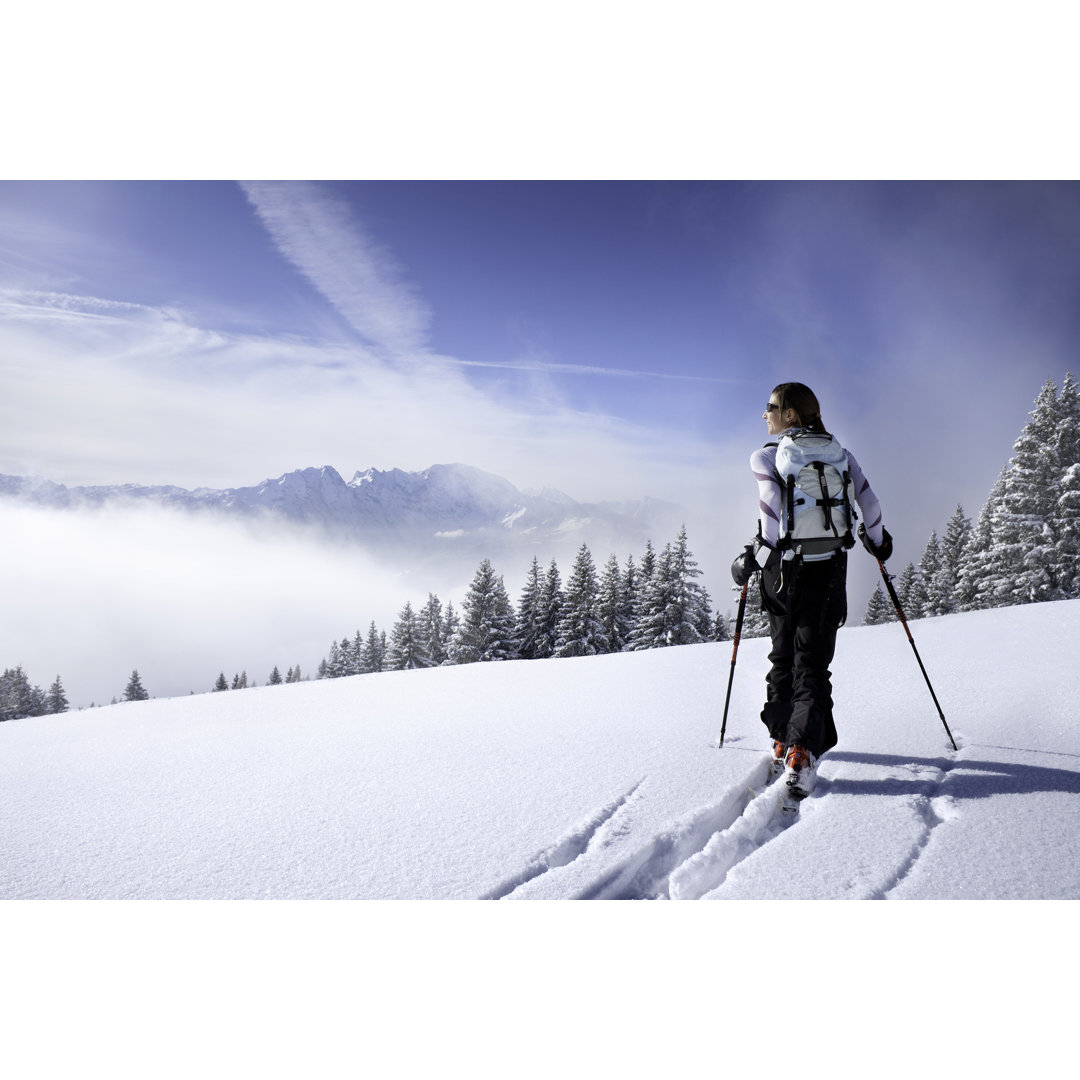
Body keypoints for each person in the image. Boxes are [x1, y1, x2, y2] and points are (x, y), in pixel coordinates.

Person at [731, 382, 892, 799]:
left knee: (783, 655)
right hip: (829, 572)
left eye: (770, 407)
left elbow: (770, 515)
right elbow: (870, 506)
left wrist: (751, 562)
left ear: (789, 415)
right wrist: (878, 541)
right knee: (814, 664)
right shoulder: (841, 453)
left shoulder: (766, 456)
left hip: (783, 574)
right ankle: (803, 751)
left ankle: (784, 740)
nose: (764, 414)